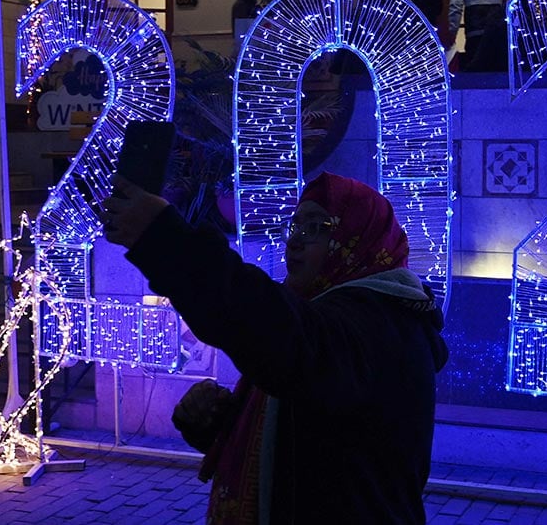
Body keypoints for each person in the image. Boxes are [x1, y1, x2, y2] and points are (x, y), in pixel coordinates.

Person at [101, 172, 448, 524]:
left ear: (358, 238)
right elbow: (306, 447)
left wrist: (165, 240)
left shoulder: (376, 326)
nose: (295, 241)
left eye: (316, 227)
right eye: (295, 227)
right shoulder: (332, 316)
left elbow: (271, 327)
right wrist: (217, 424)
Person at [463, 0, 525, 73]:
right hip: (526, 72)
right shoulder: (531, 22)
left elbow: (484, 52)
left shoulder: (496, 22)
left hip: (497, 71)